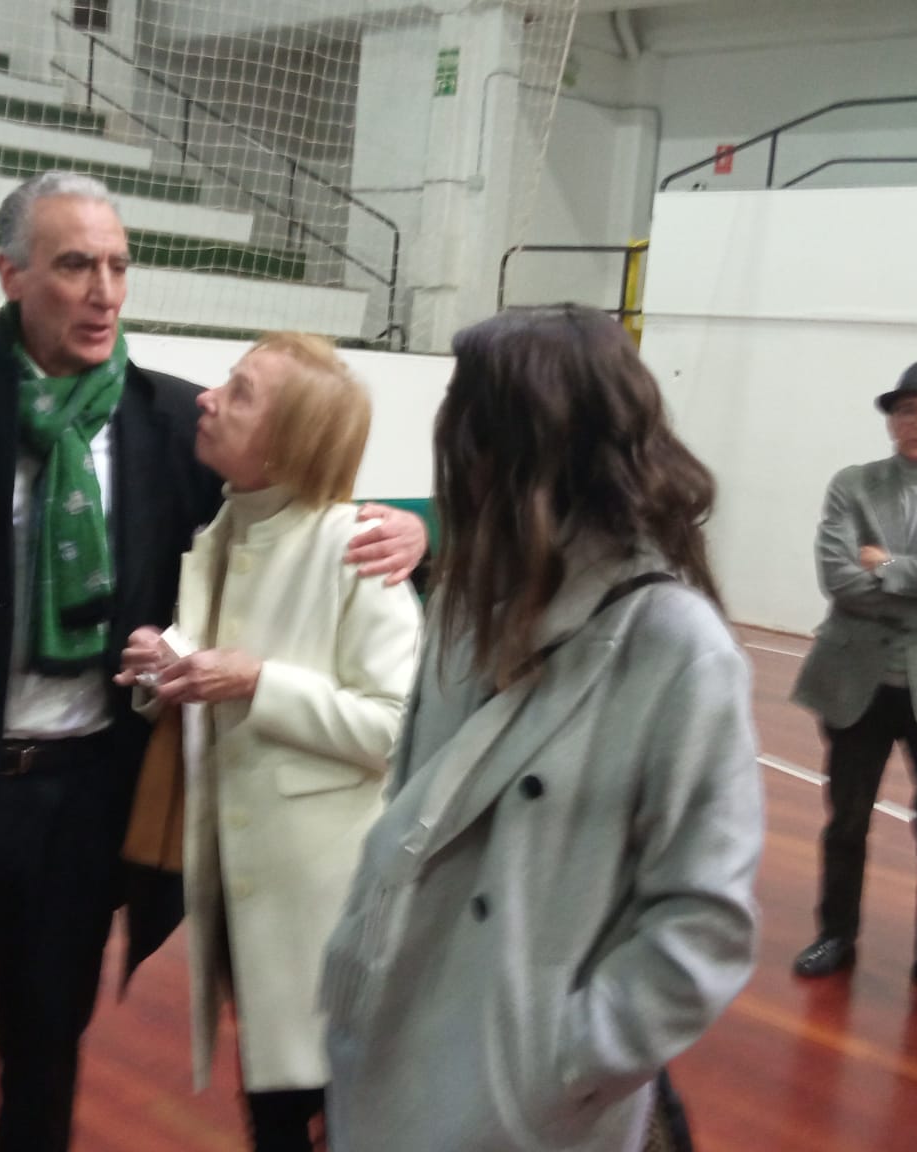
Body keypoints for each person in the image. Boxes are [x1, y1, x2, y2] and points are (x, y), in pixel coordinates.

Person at [0, 171, 428, 1152]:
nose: (103, 292)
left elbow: (302, 502)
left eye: (118, 266)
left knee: (45, 1067)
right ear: (9, 273)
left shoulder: (173, 423)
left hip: (76, 812)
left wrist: (420, 540)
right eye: (74, 264)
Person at [319, 305, 763, 1152]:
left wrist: (558, 1067)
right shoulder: (462, 598)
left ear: (523, 440)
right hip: (391, 1035)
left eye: (466, 411)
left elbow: (705, 921)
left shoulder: (676, 645)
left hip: (528, 1102)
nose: (449, 435)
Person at [112, 332, 422, 1152]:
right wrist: (164, 669)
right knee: (278, 1118)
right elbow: (212, 683)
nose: (209, 399)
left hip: (327, 914)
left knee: (338, 1114)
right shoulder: (222, 535)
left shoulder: (355, 549)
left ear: (287, 445)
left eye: (240, 392)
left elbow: (396, 729)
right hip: (250, 904)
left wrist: (259, 683)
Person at [788, 360, 917, 1007]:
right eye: (909, 411)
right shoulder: (853, 485)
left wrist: (891, 568)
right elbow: (838, 581)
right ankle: (836, 935)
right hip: (858, 679)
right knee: (845, 821)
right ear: (891, 419)